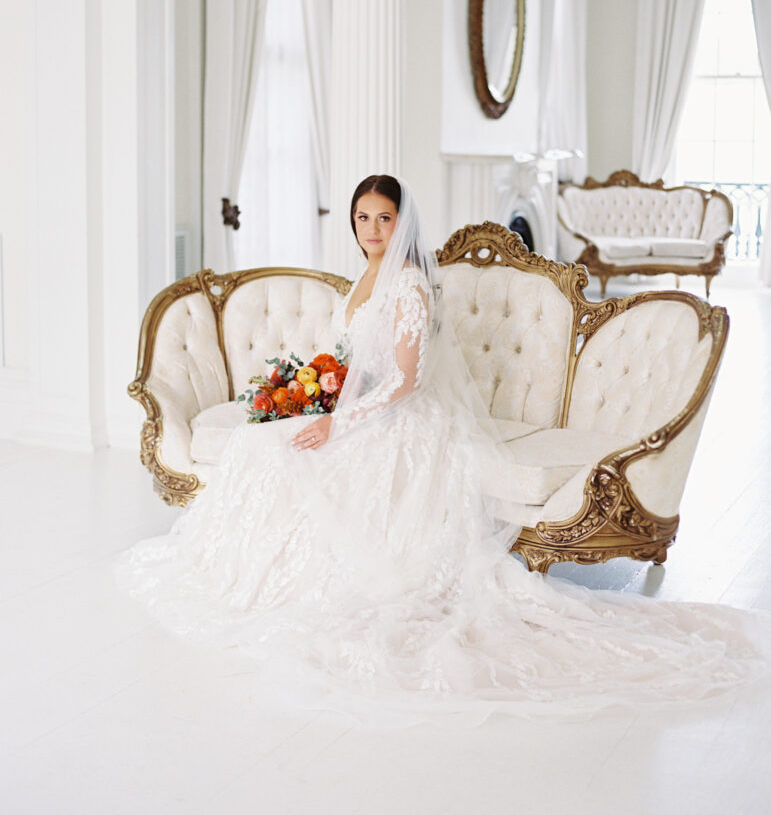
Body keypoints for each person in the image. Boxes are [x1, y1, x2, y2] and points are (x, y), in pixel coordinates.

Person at [118, 174, 770, 725]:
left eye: (383, 217)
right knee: (265, 444)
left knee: (291, 451)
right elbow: (357, 362)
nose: (372, 228)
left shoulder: (405, 283)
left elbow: (404, 382)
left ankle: (287, 575)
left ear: (403, 221)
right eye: (362, 217)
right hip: (363, 405)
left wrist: (337, 425)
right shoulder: (366, 275)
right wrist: (317, 396)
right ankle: (245, 572)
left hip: (405, 419)